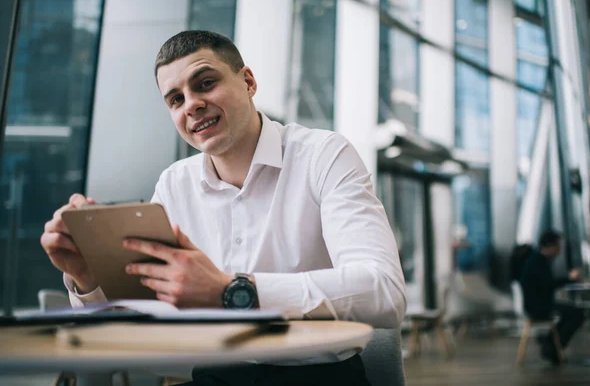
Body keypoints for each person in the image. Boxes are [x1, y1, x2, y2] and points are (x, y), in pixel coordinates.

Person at [40, 30, 406, 385]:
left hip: (318, 376)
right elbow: (138, 321)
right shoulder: (173, 184)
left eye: (204, 83)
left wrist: (231, 290)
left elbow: (384, 291)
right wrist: (86, 278)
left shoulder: (324, 156)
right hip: (219, 374)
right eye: (175, 100)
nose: (191, 105)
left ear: (248, 82)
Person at [520, 230, 585, 365]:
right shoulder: (538, 262)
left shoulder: (537, 260)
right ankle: (552, 347)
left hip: (539, 305)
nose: (560, 250)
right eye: (558, 246)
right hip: (539, 307)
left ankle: (550, 344)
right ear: (550, 246)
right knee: (578, 313)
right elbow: (549, 284)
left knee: (572, 313)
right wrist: (569, 277)